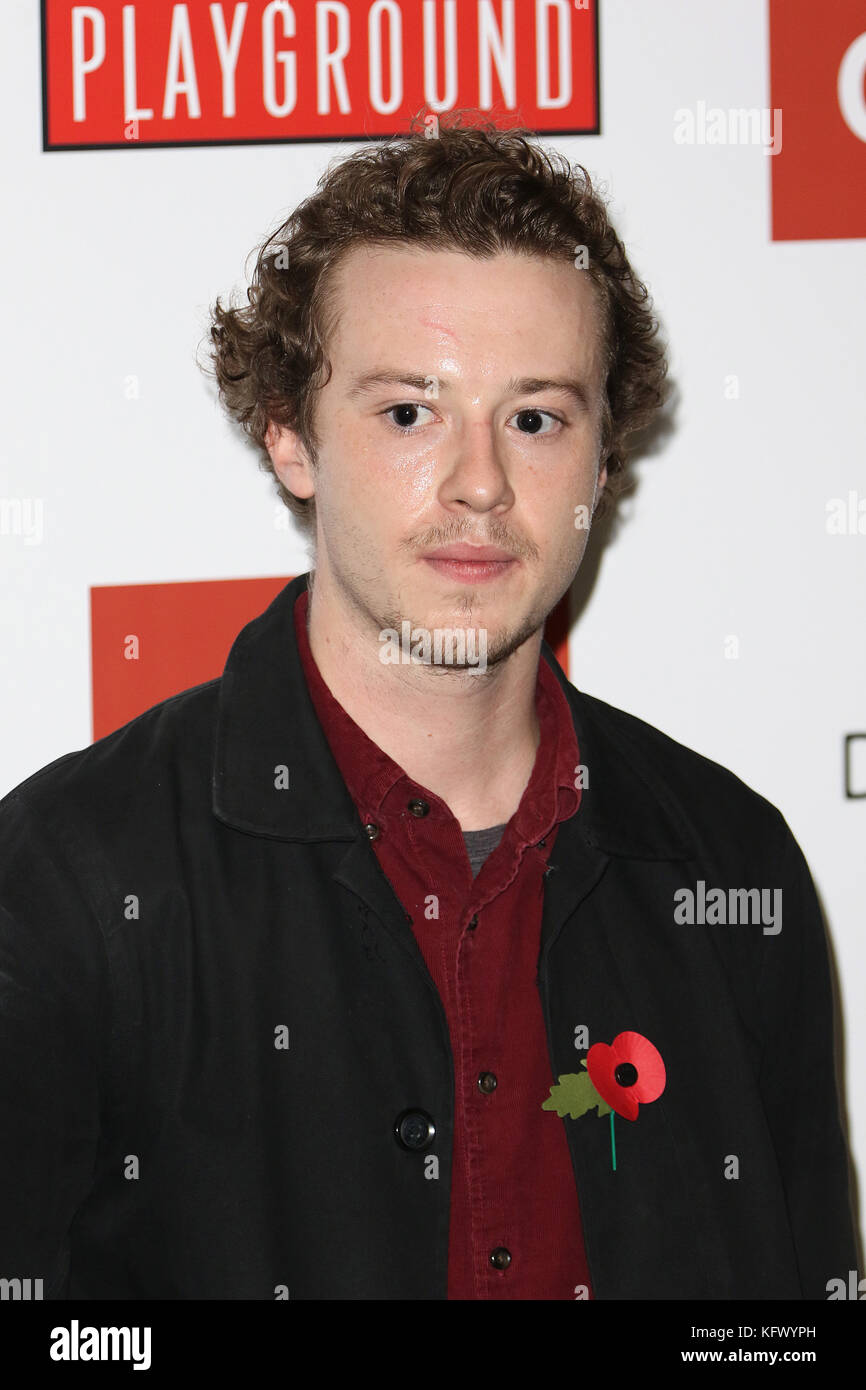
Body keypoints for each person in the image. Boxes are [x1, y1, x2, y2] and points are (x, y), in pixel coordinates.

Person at [0, 116, 857, 1300]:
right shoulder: (70, 880)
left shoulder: (727, 863)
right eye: (409, 412)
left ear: (603, 463)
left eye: (536, 417)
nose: (479, 482)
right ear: (290, 438)